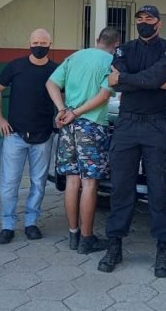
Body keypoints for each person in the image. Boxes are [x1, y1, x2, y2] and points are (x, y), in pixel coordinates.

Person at [98, 6, 166, 278]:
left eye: (149, 19)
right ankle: (114, 245)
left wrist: (128, 78)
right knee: (121, 188)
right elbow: (118, 83)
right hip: (127, 124)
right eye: (140, 19)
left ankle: (163, 248)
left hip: (156, 124)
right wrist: (148, 82)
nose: (144, 23)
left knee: (158, 189)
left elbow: (155, 77)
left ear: (159, 22)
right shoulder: (123, 50)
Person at [46, 27, 121, 254]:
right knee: (89, 183)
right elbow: (103, 95)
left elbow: (51, 83)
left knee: (72, 181)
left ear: (97, 40)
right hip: (91, 126)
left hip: (67, 125)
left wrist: (63, 109)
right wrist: (78, 112)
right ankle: (87, 239)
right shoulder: (111, 62)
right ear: (117, 44)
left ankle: (73, 233)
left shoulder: (75, 56)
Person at [0, 29, 57, 244]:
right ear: (29, 43)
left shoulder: (56, 70)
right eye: (35, 42)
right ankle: (7, 225)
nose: (39, 45)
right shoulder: (15, 66)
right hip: (15, 135)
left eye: (43, 42)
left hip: (44, 135)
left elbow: (65, 93)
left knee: (38, 183)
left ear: (50, 44)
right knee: (10, 183)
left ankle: (31, 222)